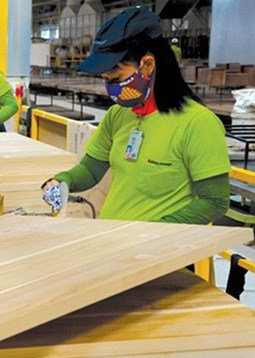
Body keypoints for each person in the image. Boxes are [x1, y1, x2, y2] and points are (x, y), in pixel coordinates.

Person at [41, 6, 230, 226]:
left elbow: (215, 202)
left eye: (116, 77)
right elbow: (91, 171)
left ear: (147, 65)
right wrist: (62, 181)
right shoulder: (117, 115)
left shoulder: (197, 123)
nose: (110, 87)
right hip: (114, 239)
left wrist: (157, 231)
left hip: (157, 245)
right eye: (105, 78)